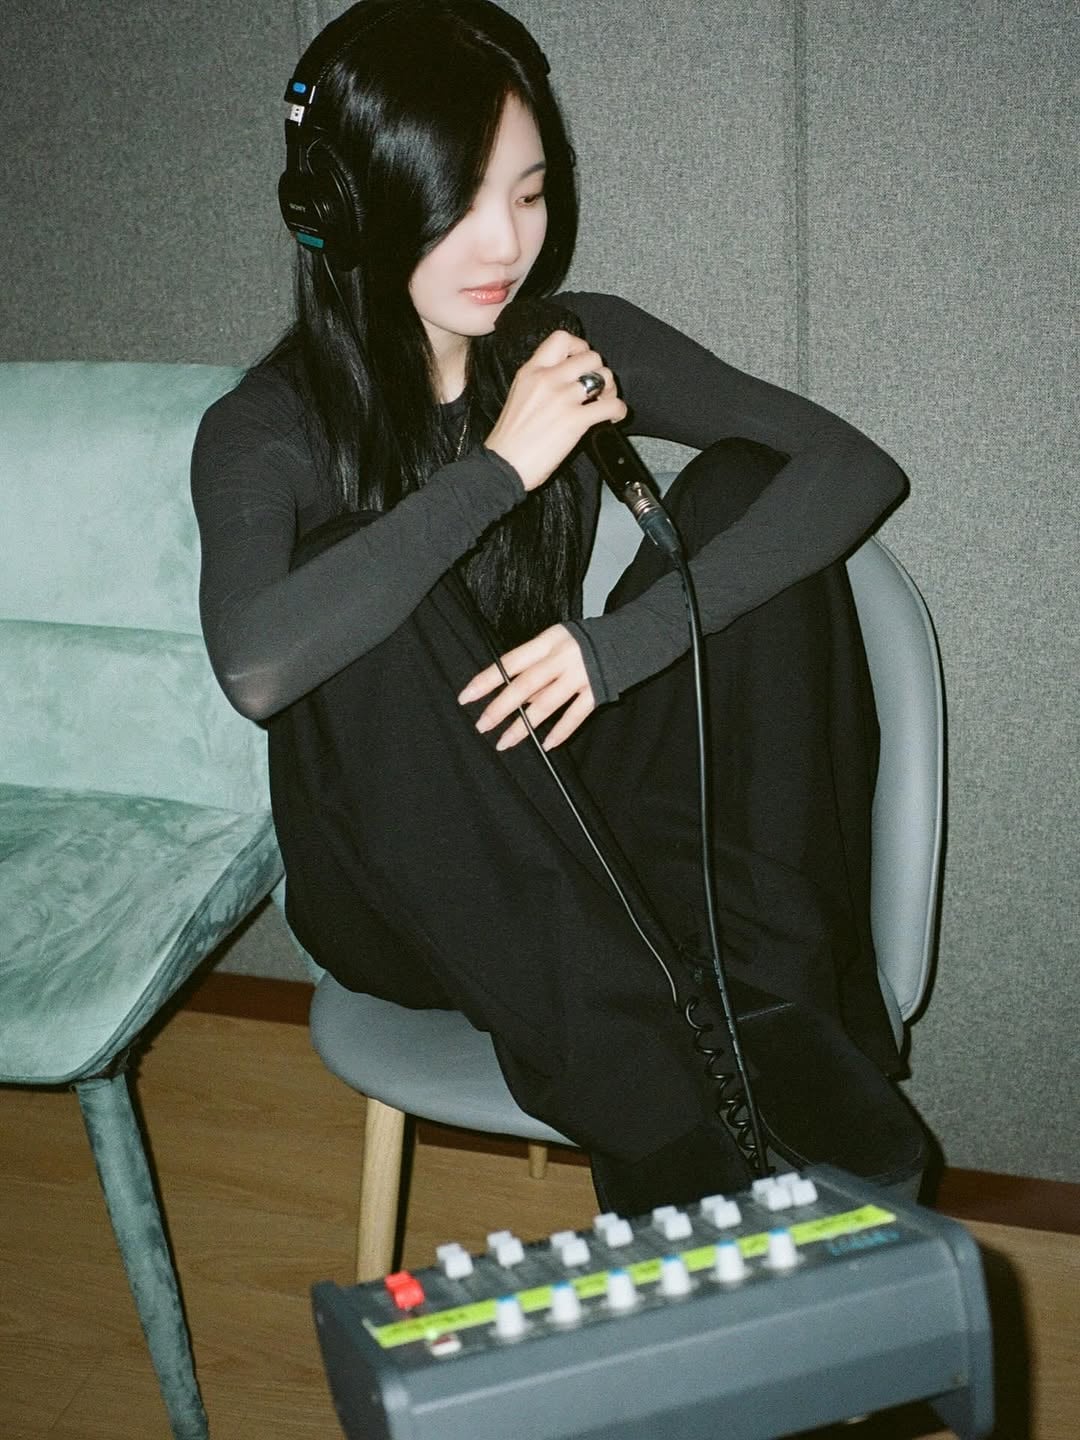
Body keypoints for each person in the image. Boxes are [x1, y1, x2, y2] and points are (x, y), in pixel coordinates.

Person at [192, 0, 928, 1215]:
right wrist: (502, 467)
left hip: (572, 830)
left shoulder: (568, 343)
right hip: (407, 896)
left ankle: (773, 1022)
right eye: (458, 205)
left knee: (742, 485)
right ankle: (658, 1110)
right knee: (358, 571)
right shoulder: (265, 427)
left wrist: (619, 647)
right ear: (350, 213)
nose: (506, 242)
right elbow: (257, 665)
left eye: (529, 194)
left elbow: (849, 466)